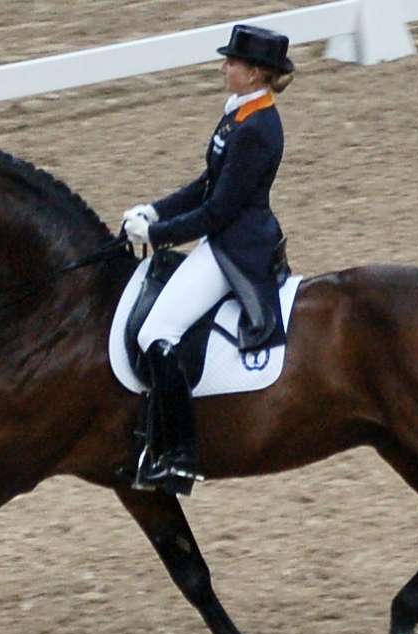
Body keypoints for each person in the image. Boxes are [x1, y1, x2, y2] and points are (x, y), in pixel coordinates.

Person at [122, 23, 295, 492]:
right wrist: (155, 209)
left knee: (158, 332)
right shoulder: (239, 114)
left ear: (256, 73)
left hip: (234, 246)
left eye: (233, 63)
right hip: (224, 235)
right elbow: (206, 184)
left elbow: (218, 210)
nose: (225, 69)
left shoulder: (258, 128)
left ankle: (179, 454)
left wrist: (157, 235)